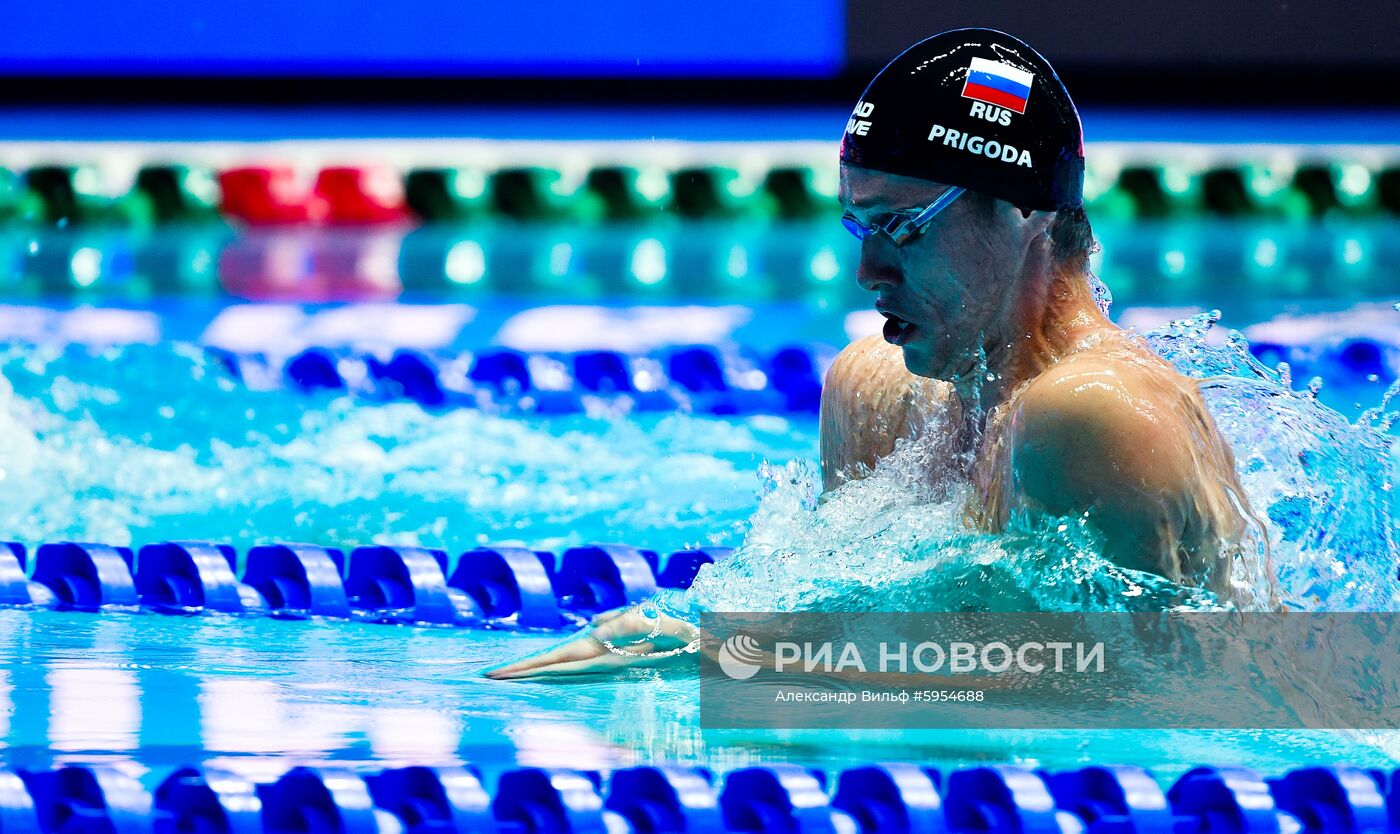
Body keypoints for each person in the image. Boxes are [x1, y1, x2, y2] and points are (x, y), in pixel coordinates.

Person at [485, 29, 1267, 681]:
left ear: (1022, 210)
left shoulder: (1091, 413)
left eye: (903, 228)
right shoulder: (877, 391)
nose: (869, 274)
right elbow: (833, 634)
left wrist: (729, 661)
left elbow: (1144, 703)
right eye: (861, 230)